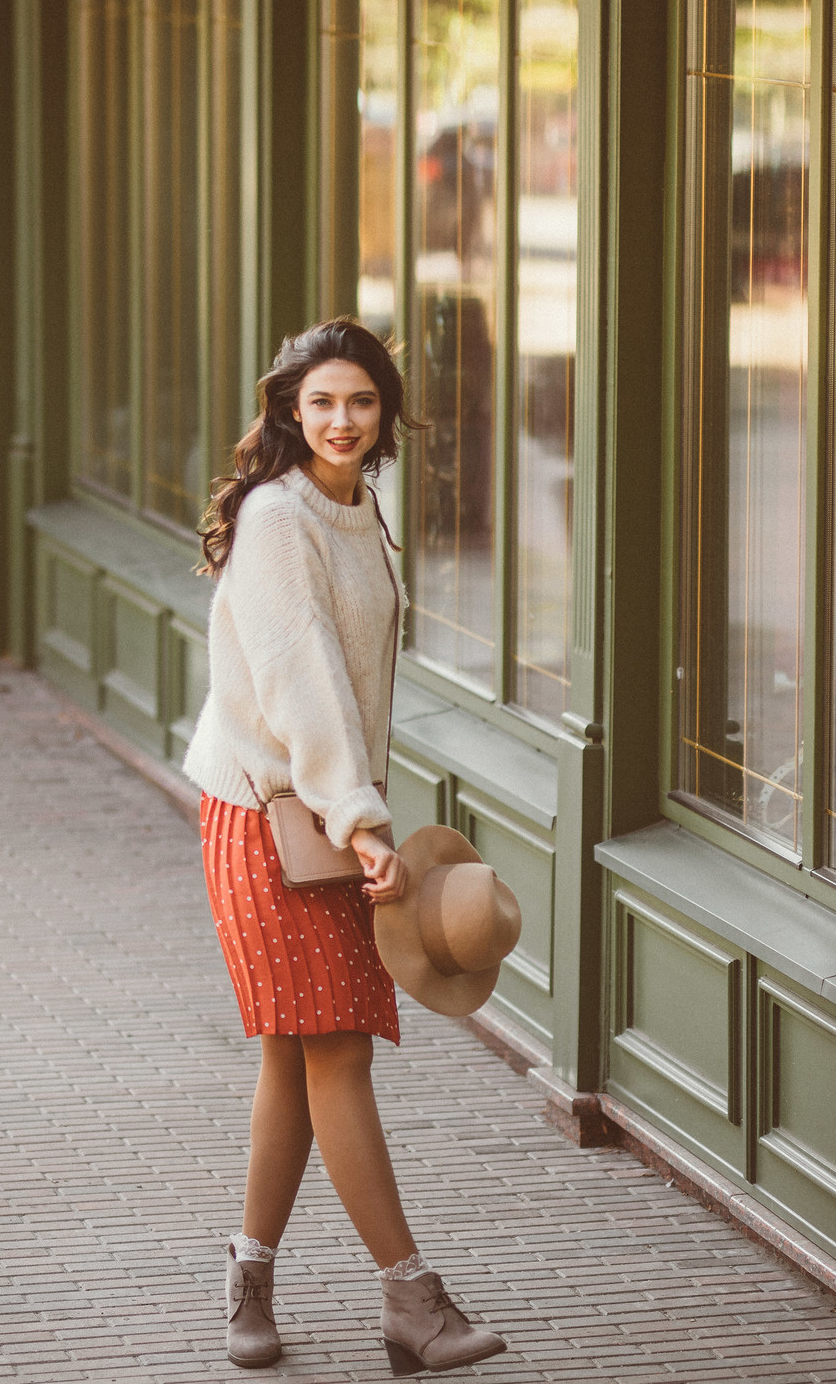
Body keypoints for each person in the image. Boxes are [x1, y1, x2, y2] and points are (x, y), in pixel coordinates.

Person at [183, 318, 508, 1376]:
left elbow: (349, 681)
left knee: (297, 1049)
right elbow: (302, 680)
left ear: (385, 415)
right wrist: (364, 823)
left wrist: (354, 810)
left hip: (321, 815)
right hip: (272, 817)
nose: (340, 421)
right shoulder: (280, 519)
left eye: (360, 402)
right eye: (320, 402)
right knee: (338, 1050)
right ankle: (411, 1301)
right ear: (287, 408)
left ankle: (249, 1277)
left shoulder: (359, 507)